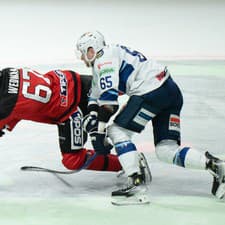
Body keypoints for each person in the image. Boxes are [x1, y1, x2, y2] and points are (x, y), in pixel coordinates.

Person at [76, 31, 225, 205]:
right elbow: (95, 96)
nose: (82, 58)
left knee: (116, 131)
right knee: (166, 149)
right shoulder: (109, 55)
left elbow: (109, 104)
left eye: (83, 52)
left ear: (92, 49)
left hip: (151, 92)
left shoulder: (103, 59)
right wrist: (93, 119)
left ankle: (136, 184)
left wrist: (100, 133)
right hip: (170, 92)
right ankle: (215, 166)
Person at [0, 67, 122, 172]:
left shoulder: (4, 107)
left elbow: (14, 107)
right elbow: (21, 104)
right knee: (120, 86)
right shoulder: (8, 71)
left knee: (73, 160)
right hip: (75, 81)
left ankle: (126, 164)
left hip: (71, 111)